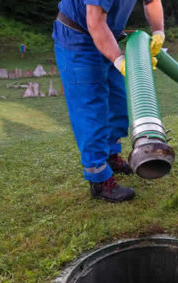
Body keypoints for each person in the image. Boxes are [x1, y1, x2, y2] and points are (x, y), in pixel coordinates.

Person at [53, 0, 165, 203]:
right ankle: (99, 179)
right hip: (79, 38)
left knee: (118, 102)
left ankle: (111, 157)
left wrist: (159, 32)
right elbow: (95, 22)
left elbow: (153, 2)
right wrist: (119, 60)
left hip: (109, 35)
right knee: (91, 110)